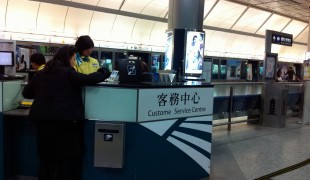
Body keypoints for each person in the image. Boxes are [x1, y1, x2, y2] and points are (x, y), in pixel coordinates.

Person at [22, 45, 110, 180]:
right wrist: (104, 71)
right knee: (64, 159)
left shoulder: (41, 73)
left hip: (43, 122)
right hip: (64, 122)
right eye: (74, 59)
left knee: (47, 158)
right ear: (67, 58)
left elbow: (27, 93)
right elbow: (88, 79)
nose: (74, 62)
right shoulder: (68, 73)